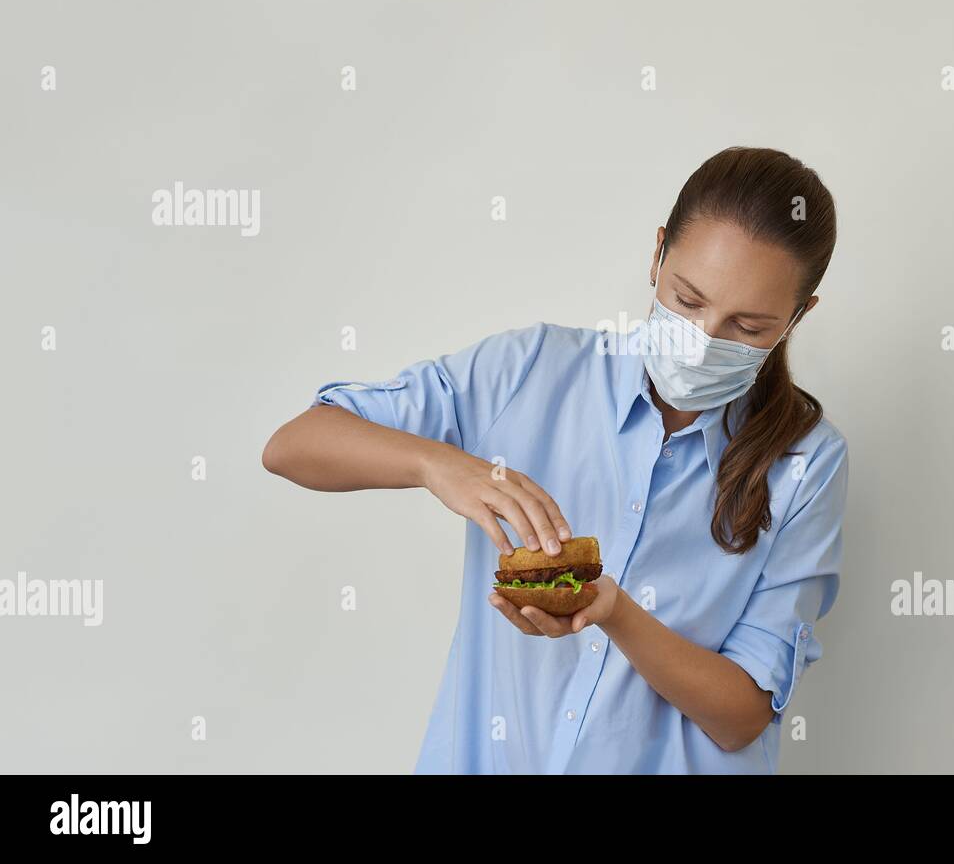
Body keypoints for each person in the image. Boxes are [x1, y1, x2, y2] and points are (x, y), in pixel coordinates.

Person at [262, 145, 848, 773]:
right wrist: (438, 465)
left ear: (797, 315)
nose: (704, 342)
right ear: (657, 255)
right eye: (688, 299)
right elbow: (294, 445)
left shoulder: (807, 463)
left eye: (748, 328)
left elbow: (741, 718)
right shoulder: (531, 371)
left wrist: (616, 612)